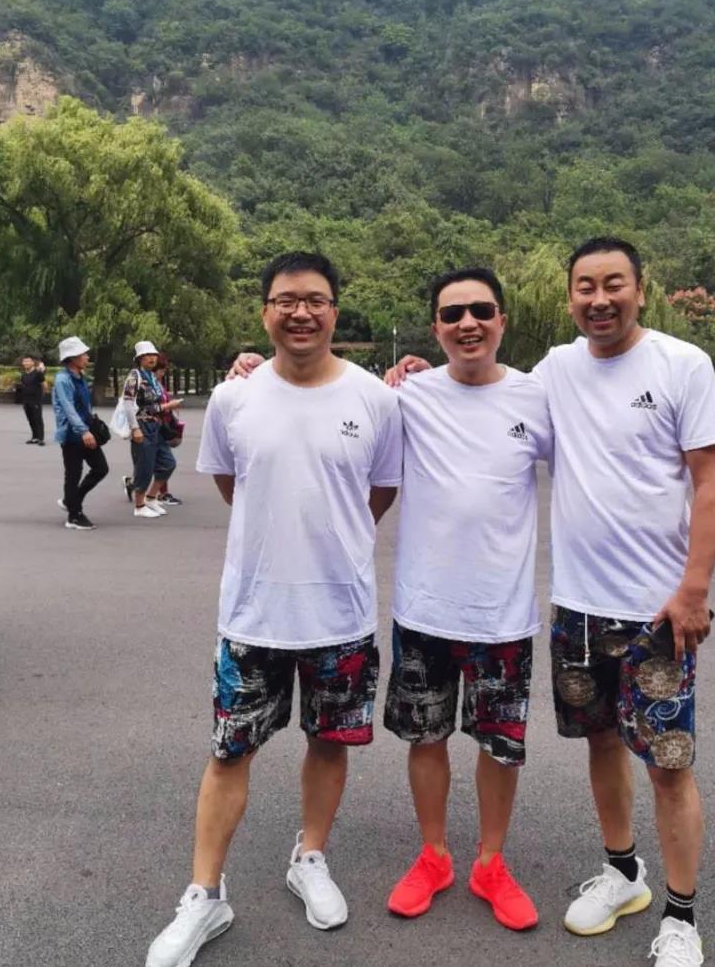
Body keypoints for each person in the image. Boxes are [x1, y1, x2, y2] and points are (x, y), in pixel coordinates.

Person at [388, 236, 715, 967]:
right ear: (570, 296)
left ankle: (682, 916)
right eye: (585, 287)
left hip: (657, 610)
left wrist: (694, 589)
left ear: (640, 289)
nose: (599, 299)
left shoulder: (681, 364)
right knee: (601, 743)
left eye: (614, 284)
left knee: (668, 762)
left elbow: (709, 481)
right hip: (577, 607)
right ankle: (622, 873)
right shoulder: (555, 372)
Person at [227, 268, 552, 931]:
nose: (467, 323)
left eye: (480, 310)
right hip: (423, 609)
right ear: (436, 327)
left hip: (504, 612)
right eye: (452, 313)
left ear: (502, 320)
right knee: (426, 738)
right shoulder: (406, 395)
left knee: (499, 745)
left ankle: (491, 862)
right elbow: (317, 395)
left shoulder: (538, 398)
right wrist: (253, 367)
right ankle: (433, 856)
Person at [145, 252, 403, 967]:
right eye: (286, 300)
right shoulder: (234, 399)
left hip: (341, 615)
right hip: (252, 614)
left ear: (334, 310)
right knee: (230, 749)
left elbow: (379, 493)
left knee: (330, 742)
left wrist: (334, 538)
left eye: (316, 300)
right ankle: (205, 894)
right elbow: (234, 483)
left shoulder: (375, 400)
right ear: (265, 311)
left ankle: (309, 856)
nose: (301, 312)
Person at [118, 341, 181, 519]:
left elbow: (155, 404)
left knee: (168, 463)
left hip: (156, 426)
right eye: (147, 356)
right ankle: (139, 505)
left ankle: (151, 497)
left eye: (153, 355)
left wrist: (166, 407)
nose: (152, 358)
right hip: (142, 425)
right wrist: (135, 428)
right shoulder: (135, 376)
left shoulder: (152, 377)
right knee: (144, 466)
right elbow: (128, 403)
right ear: (139, 359)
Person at [52, 337, 108, 530]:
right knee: (73, 474)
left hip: (86, 429)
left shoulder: (80, 376)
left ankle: (71, 501)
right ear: (73, 357)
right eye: (83, 354)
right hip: (72, 433)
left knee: (101, 468)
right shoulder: (63, 379)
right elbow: (68, 408)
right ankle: (74, 516)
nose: (87, 357)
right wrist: (84, 431)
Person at [152, 353, 185, 505]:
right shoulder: (148, 385)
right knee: (165, 462)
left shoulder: (158, 384)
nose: (162, 373)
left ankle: (134, 483)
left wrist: (171, 406)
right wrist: (168, 406)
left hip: (161, 426)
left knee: (153, 463)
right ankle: (158, 494)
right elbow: (150, 407)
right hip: (153, 427)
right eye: (161, 370)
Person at [19, 356, 47, 445]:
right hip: (26, 400)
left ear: (32, 363)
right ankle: (34, 437)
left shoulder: (38, 373)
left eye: (28, 361)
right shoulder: (23, 375)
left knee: (37, 419)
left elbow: (44, 385)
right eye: (24, 361)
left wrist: (40, 396)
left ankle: (41, 438)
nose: (26, 363)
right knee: (30, 419)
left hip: (36, 400)